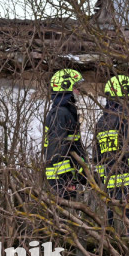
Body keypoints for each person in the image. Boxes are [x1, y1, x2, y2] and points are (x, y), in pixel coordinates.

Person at [93, 74, 129, 229]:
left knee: (111, 224)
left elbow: (97, 157)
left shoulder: (101, 122)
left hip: (110, 185)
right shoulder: (126, 118)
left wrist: (102, 182)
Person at [44, 69, 88, 199]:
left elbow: (73, 146)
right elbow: (56, 150)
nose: (78, 91)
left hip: (67, 177)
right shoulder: (60, 113)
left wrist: (81, 171)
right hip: (61, 179)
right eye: (75, 87)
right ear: (66, 88)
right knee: (62, 217)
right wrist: (65, 178)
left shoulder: (67, 112)